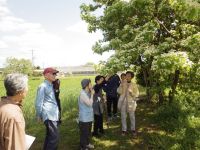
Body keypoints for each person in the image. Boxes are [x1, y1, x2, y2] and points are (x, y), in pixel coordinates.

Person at [0, 73, 28, 150]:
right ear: (20, 91)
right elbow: (15, 146)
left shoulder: (2, 103)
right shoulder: (14, 116)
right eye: (26, 86)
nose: (27, 89)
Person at [35, 67, 60, 150]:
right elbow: (39, 102)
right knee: (54, 138)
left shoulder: (51, 85)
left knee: (50, 137)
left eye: (55, 74)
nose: (55, 75)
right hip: (49, 114)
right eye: (53, 73)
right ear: (46, 75)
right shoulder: (43, 86)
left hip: (53, 114)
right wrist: (39, 115)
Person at [117, 71, 139, 136]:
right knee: (123, 116)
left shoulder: (134, 85)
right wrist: (121, 86)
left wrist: (132, 93)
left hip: (131, 103)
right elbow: (118, 91)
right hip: (123, 102)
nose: (127, 77)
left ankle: (133, 129)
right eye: (126, 75)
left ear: (131, 77)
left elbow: (137, 94)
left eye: (129, 76)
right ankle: (124, 130)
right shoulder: (123, 83)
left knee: (132, 116)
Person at [78, 79, 94, 150]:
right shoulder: (83, 94)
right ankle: (83, 147)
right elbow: (89, 103)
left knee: (88, 132)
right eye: (90, 84)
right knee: (84, 133)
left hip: (89, 117)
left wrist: (91, 93)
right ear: (87, 85)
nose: (92, 85)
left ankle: (87, 144)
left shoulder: (87, 92)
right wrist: (92, 95)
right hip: (84, 118)